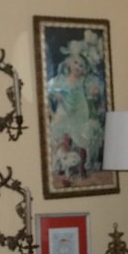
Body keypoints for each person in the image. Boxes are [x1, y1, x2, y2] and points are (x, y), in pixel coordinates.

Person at [46, 41, 106, 181]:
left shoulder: (84, 81)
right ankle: (63, 164)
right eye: (76, 63)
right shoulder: (61, 79)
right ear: (69, 63)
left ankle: (82, 166)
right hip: (64, 110)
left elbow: (94, 88)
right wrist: (56, 95)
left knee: (81, 139)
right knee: (61, 135)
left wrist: (94, 92)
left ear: (85, 69)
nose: (78, 67)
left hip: (79, 110)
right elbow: (50, 89)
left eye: (81, 65)